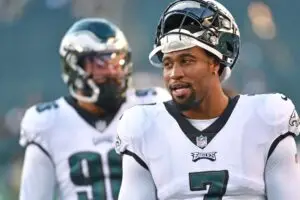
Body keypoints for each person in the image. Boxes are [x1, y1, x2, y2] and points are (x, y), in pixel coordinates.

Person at [115, 0, 300, 199]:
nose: (174, 73)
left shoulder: (268, 117)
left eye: (186, 60)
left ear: (215, 63)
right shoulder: (142, 126)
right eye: (168, 64)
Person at [18, 18, 170, 200]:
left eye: (117, 62)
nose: (112, 72)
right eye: (99, 64)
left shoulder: (150, 107)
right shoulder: (47, 123)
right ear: (74, 67)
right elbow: (34, 196)